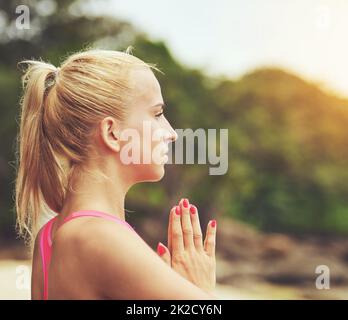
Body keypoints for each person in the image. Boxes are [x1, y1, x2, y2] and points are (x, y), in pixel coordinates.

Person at [14, 47, 218, 299]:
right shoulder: (98, 237)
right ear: (112, 133)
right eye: (157, 114)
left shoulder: (49, 238)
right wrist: (203, 290)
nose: (171, 133)